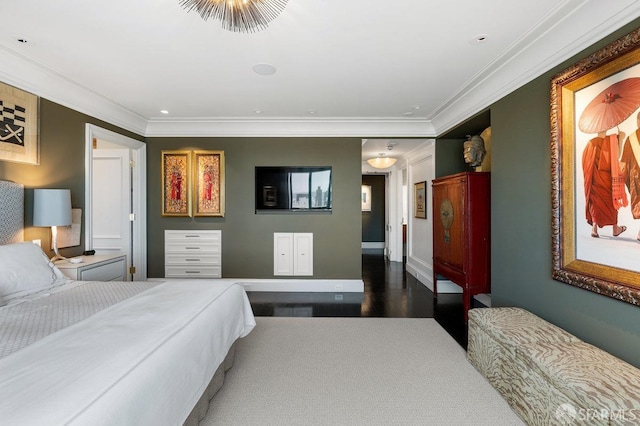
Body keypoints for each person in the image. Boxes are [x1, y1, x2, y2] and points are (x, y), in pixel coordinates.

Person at [582, 130, 626, 238]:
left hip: (594, 178)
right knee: (611, 201)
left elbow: (585, 162)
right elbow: (615, 158)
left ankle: (594, 229)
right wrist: (621, 139)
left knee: (595, 201)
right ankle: (615, 228)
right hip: (607, 178)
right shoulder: (610, 141)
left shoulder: (590, 143)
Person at [621, 111, 640, 241]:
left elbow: (624, 161)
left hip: (635, 176)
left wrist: (623, 177)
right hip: (635, 176)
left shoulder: (630, 137)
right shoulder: (631, 138)